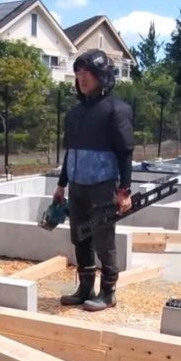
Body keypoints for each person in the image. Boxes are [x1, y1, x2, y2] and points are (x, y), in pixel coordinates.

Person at [53, 50, 134, 311]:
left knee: (103, 239)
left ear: (102, 75)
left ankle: (108, 292)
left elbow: (125, 153)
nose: (81, 78)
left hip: (102, 186)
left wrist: (124, 190)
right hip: (77, 186)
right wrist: (61, 185)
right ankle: (85, 288)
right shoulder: (74, 114)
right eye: (78, 73)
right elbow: (70, 153)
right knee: (80, 237)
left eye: (87, 73)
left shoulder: (116, 110)